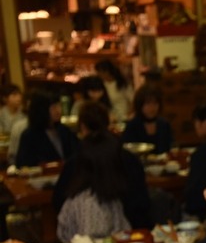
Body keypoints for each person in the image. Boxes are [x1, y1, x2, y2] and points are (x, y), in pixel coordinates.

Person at [53, 101, 152, 232]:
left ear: (82, 128)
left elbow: (58, 201)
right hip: (136, 232)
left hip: (89, 238)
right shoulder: (129, 157)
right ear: (108, 124)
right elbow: (142, 202)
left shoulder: (77, 161)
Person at [16, 88, 78, 168]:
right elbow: (24, 166)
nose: (58, 110)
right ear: (41, 109)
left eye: (59, 105)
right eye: (53, 107)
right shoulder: (30, 136)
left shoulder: (64, 130)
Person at [121, 84, 174, 154]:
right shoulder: (132, 126)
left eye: (155, 103)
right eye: (148, 103)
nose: (152, 108)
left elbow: (170, 148)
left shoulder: (164, 124)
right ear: (140, 105)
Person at [95, 58, 133, 123]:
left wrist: (128, 115)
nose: (99, 75)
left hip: (123, 118)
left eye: (100, 72)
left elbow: (132, 100)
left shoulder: (122, 84)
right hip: (108, 119)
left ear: (107, 71)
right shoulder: (101, 86)